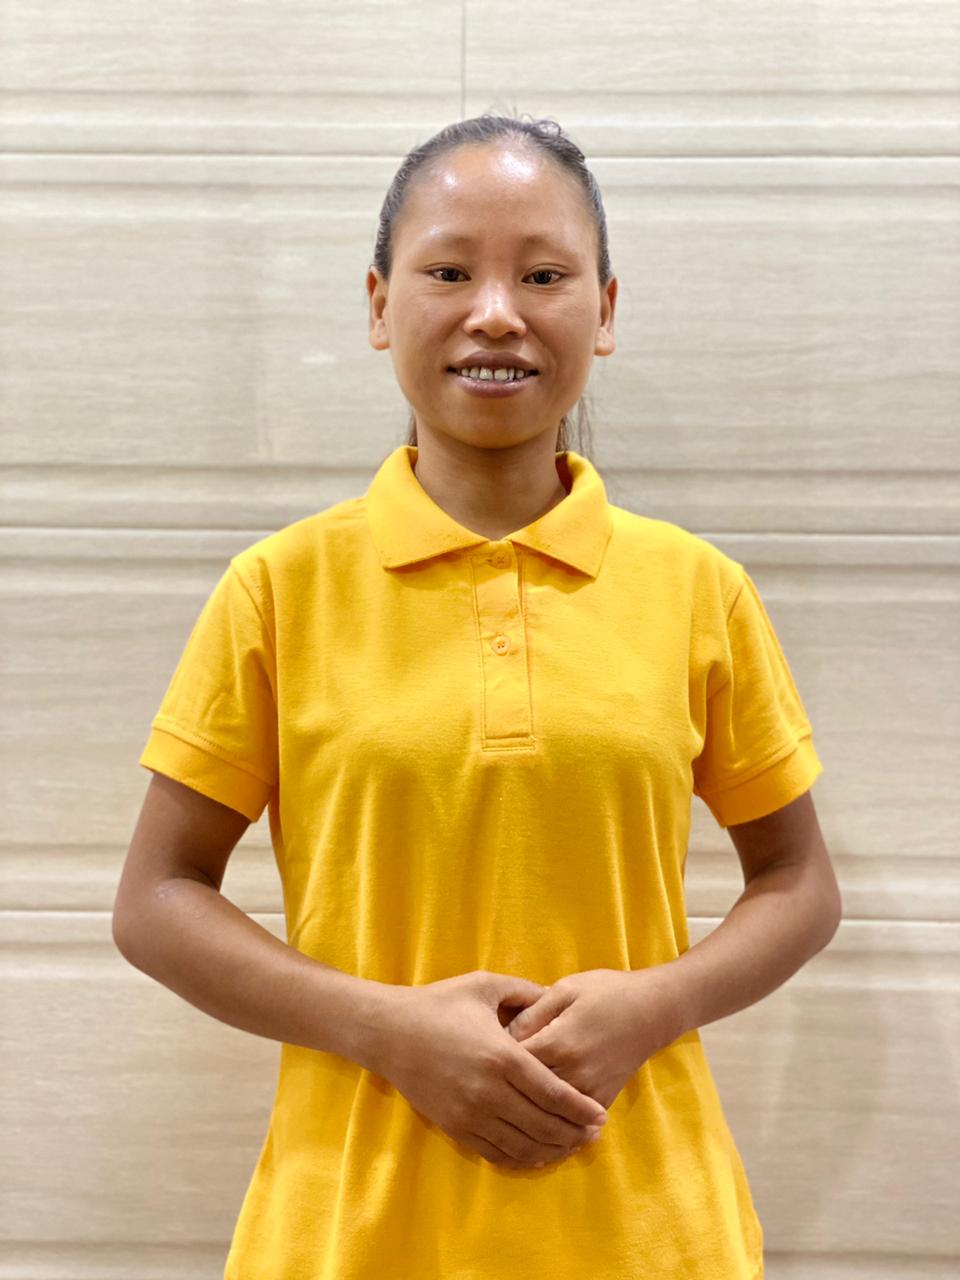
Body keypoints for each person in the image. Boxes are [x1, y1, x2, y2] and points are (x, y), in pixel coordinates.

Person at [113, 113, 840, 1279]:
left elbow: (799, 883)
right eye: (448, 271)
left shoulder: (699, 589)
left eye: (543, 275)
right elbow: (156, 898)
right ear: (378, 305)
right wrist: (385, 1028)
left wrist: (654, 1003)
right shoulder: (279, 589)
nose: (496, 312)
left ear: (604, 311)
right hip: (352, 1233)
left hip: (648, 1232)